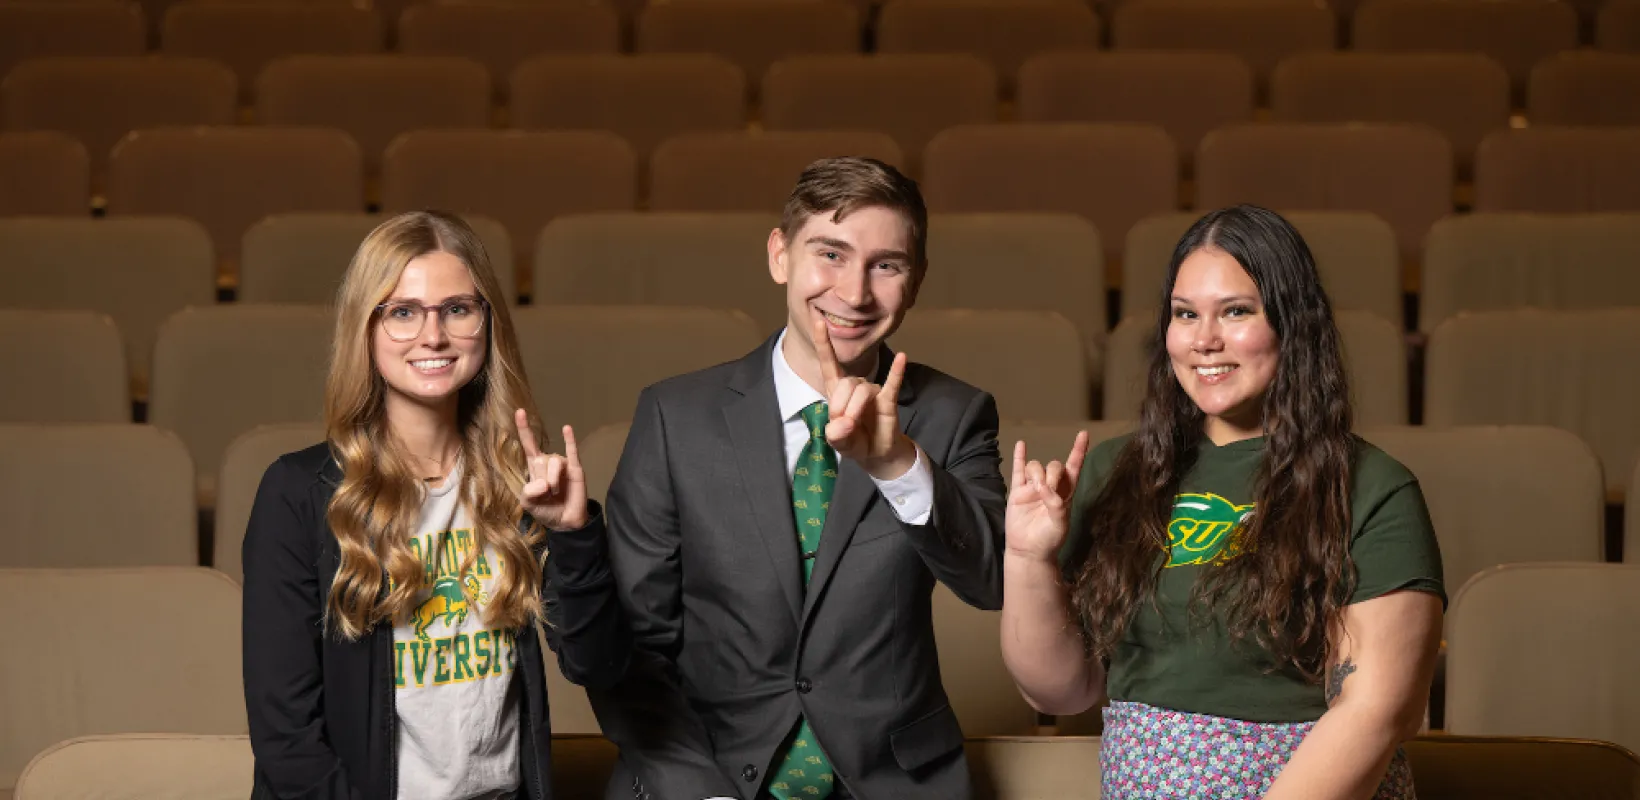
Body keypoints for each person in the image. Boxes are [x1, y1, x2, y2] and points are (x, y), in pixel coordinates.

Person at [588, 157, 1007, 800]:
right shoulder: (676, 417)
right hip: (707, 781)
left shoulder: (955, 413)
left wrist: (898, 465)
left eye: (886, 265)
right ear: (779, 256)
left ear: (916, 281)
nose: (855, 293)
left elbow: (994, 578)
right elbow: (630, 648)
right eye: (831, 254)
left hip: (891, 783)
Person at [1002, 204, 1444, 799]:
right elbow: (1059, 692)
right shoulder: (1115, 472)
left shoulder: (1372, 486)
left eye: (1236, 311)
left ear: (1292, 323)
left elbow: (1376, 712)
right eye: (1186, 314)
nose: (1205, 340)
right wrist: (1028, 559)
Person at [241, 210, 630, 800]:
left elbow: (598, 667)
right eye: (403, 312)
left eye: (457, 309)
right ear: (365, 328)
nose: (433, 336)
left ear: (487, 322)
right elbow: (287, 741)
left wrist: (574, 535)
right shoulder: (299, 492)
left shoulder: (520, 484)